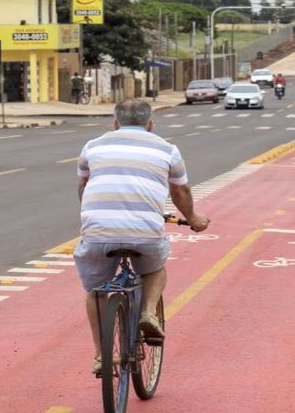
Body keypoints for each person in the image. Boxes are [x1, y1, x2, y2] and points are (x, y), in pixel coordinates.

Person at [75, 99, 210, 375]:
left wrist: (93, 217)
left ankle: (102, 356)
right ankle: (148, 312)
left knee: (97, 290)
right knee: (155, 269)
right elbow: (180, 192)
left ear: (115, 123)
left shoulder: (93, 146)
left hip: (98, 229)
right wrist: (194, 219)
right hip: (145, 232)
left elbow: (84, 185)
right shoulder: (167, 149)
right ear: (150, 125)